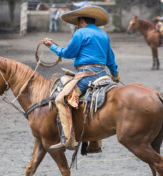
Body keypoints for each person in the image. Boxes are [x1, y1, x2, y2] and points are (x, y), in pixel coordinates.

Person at [43, 5, 119, 150]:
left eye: (78, 22)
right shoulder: (104, 35)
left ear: (82, 20)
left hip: (86, 75)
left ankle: (68, 139)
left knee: (61, 100)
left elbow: (67, 53)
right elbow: (110, 59)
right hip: (103, 75)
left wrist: (52, 46)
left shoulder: (80, 33)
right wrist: (115, 75)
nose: (77, 25)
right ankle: (95, 142)